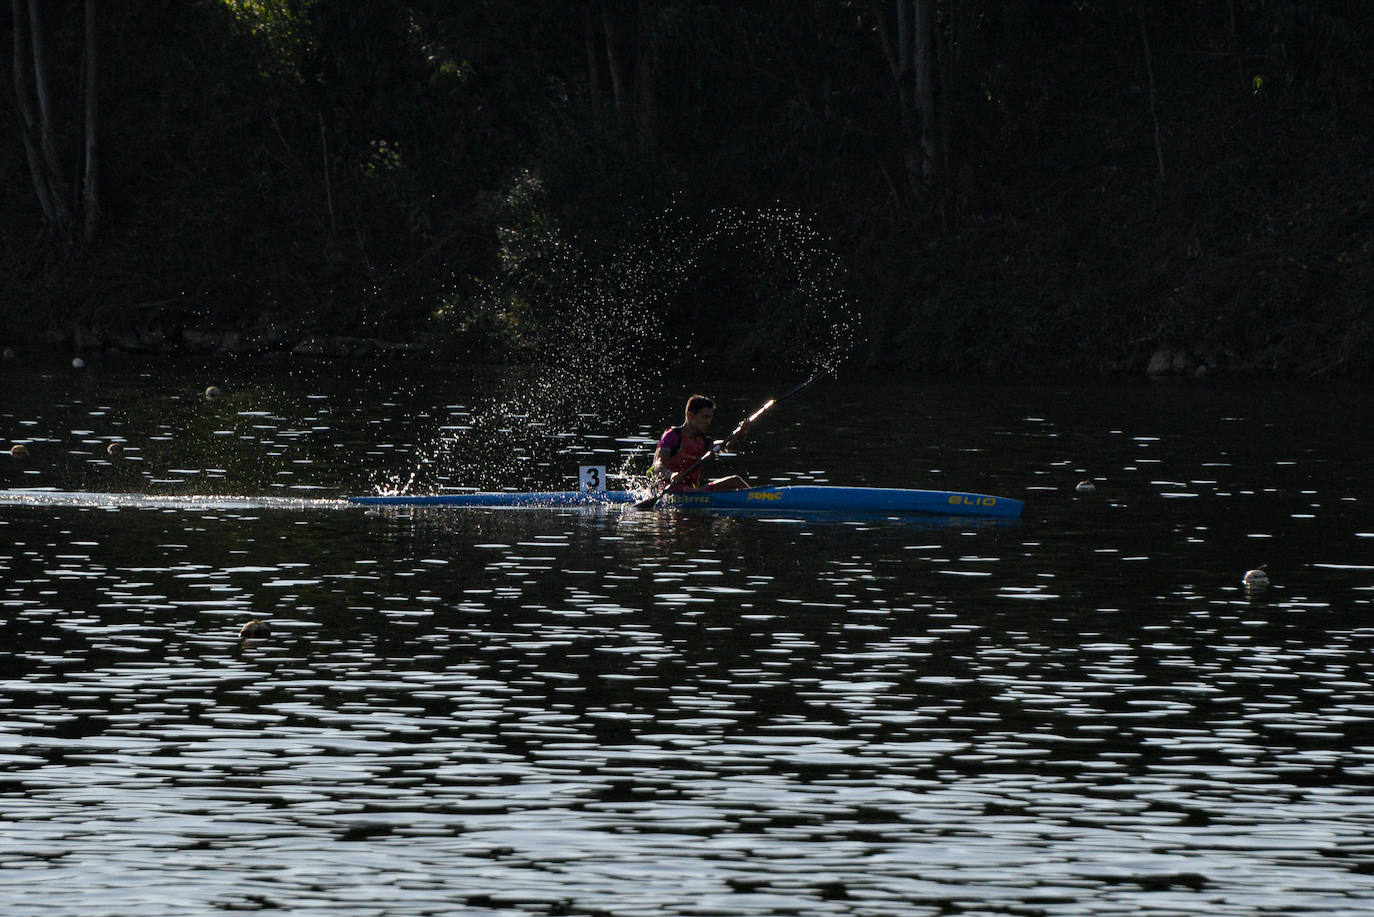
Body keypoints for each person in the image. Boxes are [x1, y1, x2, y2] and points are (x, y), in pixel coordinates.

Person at [651, 394, 752, 492]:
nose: (709, 422)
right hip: (670, 490)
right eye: (705, 417)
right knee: (690, 490)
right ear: (690, 416)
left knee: (735, 481)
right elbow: (657, 466)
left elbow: (728, 446)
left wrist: (740, 435)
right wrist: (671, 474)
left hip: (693, 491)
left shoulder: (703, 441)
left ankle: (759, 497)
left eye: (710, 417)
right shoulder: (672, 436)